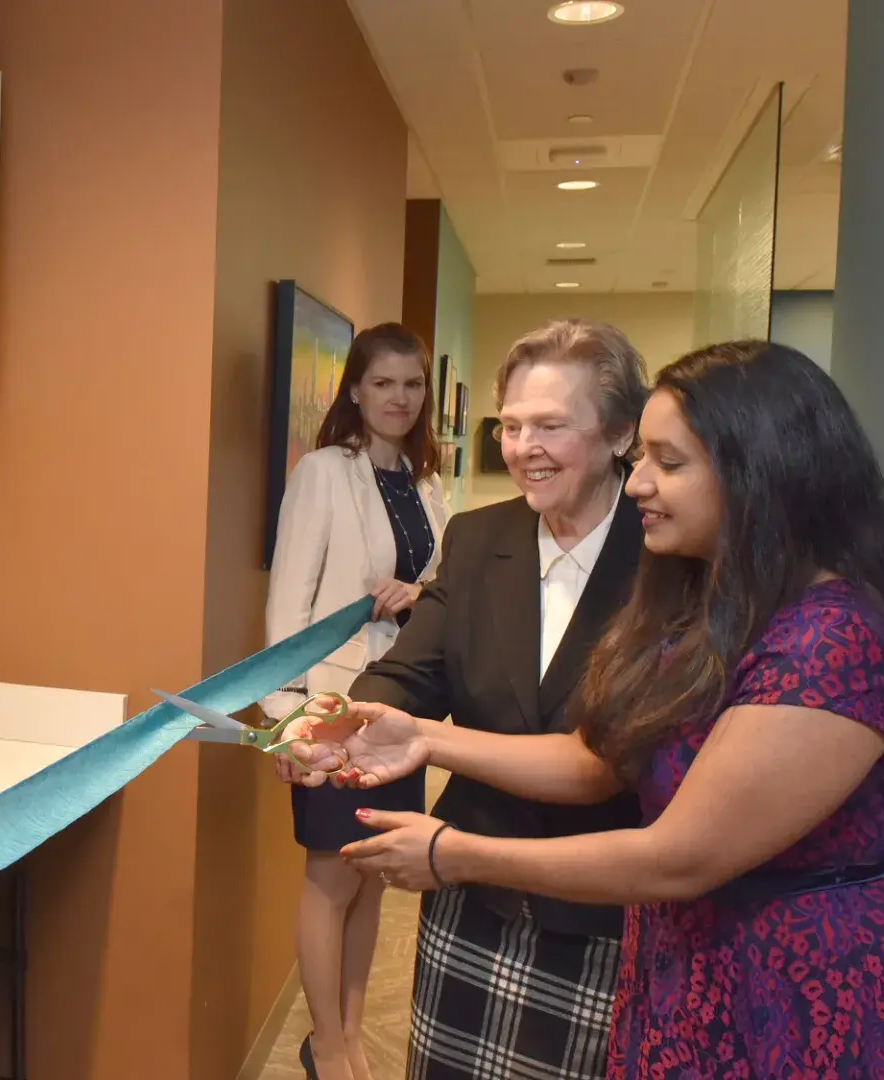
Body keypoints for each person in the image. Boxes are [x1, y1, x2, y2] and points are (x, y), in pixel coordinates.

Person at [294, 341, 884, 1077]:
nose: (641, 486)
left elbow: (678, 857)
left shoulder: (833, 640)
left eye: (670, 462)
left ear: (758, 470)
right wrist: (419, 740)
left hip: (818, 994)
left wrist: (452, 854)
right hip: (695, 966)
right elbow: (598, 759)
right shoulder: (721, 603)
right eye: (512, 424)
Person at [280, 317, 654, 1080]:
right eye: (512, 425)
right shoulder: (482, 539)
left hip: (608, 907)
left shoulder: (667, 555)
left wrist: (423, 739)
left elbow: (608, 761)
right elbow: (413, 670)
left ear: (620, 433)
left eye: (551, 425)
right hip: (472, 898)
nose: (524, 448)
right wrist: (340, 721)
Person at [263, 322, 449, 1080]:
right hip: (332, 709)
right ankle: (328, 1046)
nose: (399, 398)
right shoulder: (323, 473)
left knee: (372, 871)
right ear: (354, 390)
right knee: (330, 875)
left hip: (398, 709)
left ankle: (346, 1031)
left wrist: (420, 596)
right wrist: (287, 724)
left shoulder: (424, 480)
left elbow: (440, 587)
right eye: (384, 384)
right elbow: (287, 605)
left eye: (412, 384)